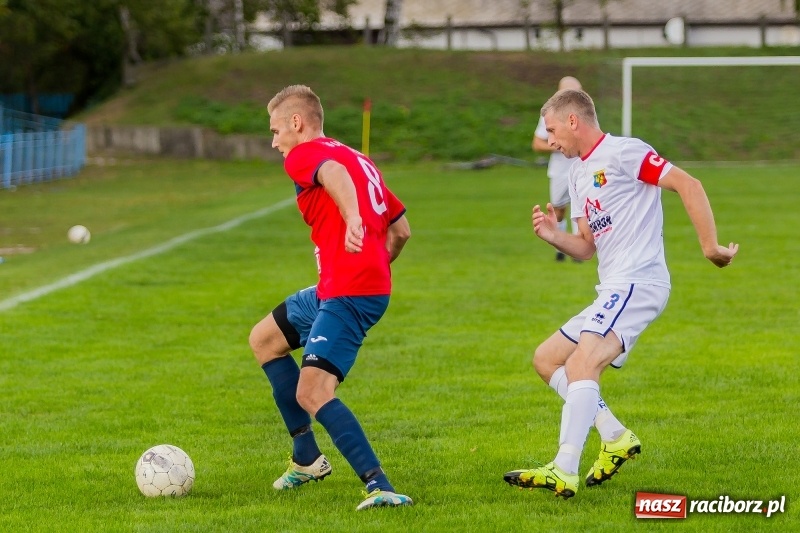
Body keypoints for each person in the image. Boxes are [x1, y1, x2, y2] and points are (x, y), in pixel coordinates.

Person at [503, 89, 738, 499]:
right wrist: (552, 236)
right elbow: (586, 246)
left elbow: (688, 183)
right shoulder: (577, 174)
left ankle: (564, 467)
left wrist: (710, 247)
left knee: (583, 363)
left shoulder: (626, 152)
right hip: (612, 287)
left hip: (639, 281)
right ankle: (614, 437)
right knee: (546, 359)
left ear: (574, 121)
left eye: (554, 131)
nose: (552, 141)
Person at [249, 85, 413, 510]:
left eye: (275, 131)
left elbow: (332, 176)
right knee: (264, 339)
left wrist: (353, 217)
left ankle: (380, 487)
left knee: (313, 390)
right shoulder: (359, 157)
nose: (274, 142)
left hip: (349, 291)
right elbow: (401, 230)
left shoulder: (308, 155)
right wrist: (375, 265)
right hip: (338, 287)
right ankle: (307, 458)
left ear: (296, 123)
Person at [532, 76, 583, 262]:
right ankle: (561, 248)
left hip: (582, 167)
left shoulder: (585, 113)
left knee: (583, 208)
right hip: (560, 171)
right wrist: (558, 145)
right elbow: (537, 144)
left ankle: (579, 248)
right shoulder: (549, 115)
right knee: (559, 210)